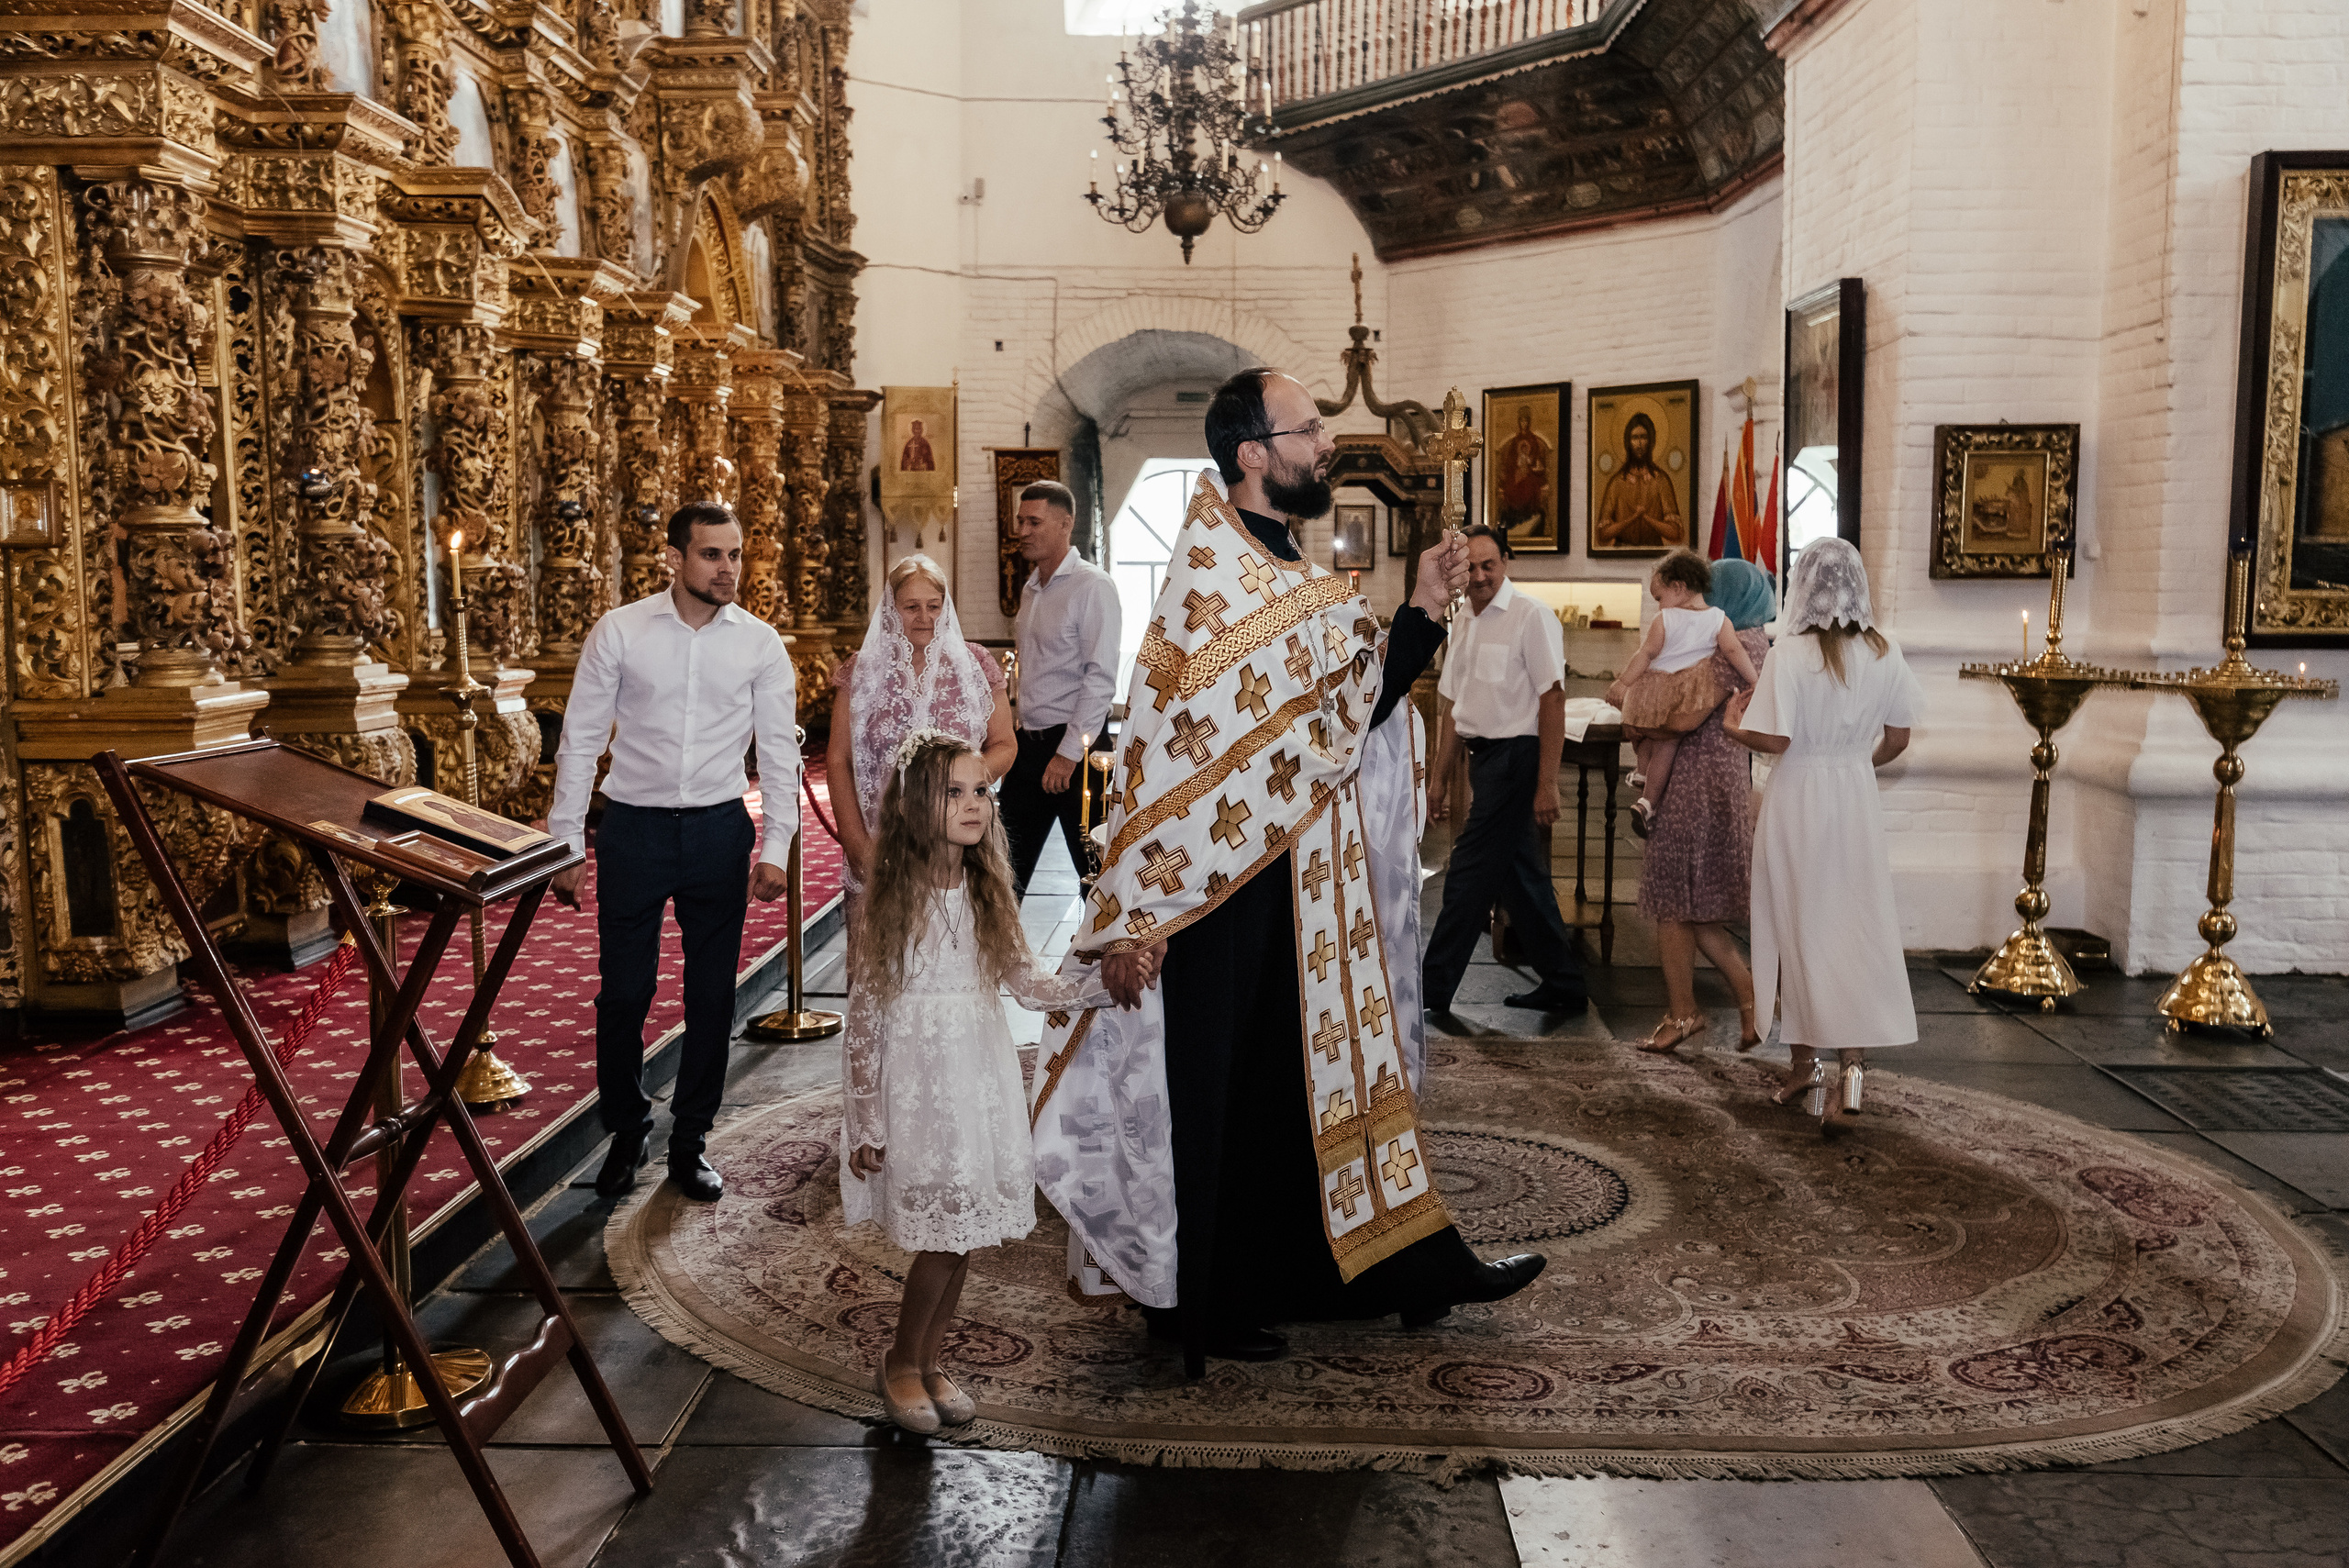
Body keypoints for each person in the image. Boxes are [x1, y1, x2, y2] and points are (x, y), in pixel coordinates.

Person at [1031, 369, 1544, 1380]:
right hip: (1210, 885)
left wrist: (1422, 611)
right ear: (1252, 453)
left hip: (1292, 876)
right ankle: (1197, 1299)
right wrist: (1143, 910)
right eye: (1308, 428)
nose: (1325, 442)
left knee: (1293, 1081)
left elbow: (1336, 711)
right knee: (1214, 1087)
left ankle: (1365, 1269)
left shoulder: (1276, 561)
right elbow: (1217, 737)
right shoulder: (1216, 571)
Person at [841, 732, 1119, 1433]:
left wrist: (1097, 984)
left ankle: (930, 1361)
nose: (974, 804)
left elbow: (1027, 984)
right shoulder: (892, 894)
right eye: (955, 792)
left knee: (963, 1230)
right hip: (919, 1080)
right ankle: (900, 1361)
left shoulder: (985, 887)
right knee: (941, 1234)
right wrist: (866, 1115)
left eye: (981, 791)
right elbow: (866, 1014)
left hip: (976, 1072)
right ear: (914, 806)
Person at [549, 502, 797, 1203]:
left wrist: (776, 845)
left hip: (719, 829)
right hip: (634, 828)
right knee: (625, 992)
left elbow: (779, 754)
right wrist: (565, 844)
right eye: (712, 555)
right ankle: (627, 1131)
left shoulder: (759, 643)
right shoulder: (621, 631)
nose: (728, 568)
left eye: (735, 554)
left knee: (712, 995)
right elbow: (581, 741)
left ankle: (690, 1142)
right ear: (676, 559)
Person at [1724, 539, 1923, 1131]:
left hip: (1799, 798)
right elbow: (1900, 736)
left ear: (1803, 586)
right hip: (1853, 798)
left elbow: (1777, 740)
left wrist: (1734, 729)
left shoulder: (1791, 653)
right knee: (1851, 928)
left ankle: (1806, 1066)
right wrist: (1858, 763)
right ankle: (1847, 1073)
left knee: (1796, 927)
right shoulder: (1884, 652)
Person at [1421, 525, 1589, 1017]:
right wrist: (1439, 777)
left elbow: (1552, 699)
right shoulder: (1465, 622)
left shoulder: (1530, 616)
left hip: (1519, 758)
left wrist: (1547, 783)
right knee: (1521, 881)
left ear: (1506, 563)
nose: (1478, 576)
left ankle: (1430, 992)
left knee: (1467, 875)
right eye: (1469, 567)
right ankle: (1564, 984)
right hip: (1484, 762)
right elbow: (1456, 707)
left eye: (1487, 565)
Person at [1634, 558, 1773, 1056]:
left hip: (1698, 783)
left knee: (1676, 903)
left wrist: (1641, 717)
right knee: (1696, 907)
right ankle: (1746, 1001)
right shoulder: (1750, 638)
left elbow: (1685, 715)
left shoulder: (1732, 643)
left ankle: (1688, 1012)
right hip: (1716, 779)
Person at [828, 552, 1016, 895]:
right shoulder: (862, 670)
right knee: (883, 943)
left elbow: (1004, 744)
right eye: (911, 607)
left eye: (934, 606)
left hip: (962, 835)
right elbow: (839, 759)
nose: (924, 617)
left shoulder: (976, 663)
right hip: (882, 834)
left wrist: (951, 788)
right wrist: (856, 844)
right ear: (890, 609)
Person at [1002, 479, 1121, 897]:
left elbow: (1100, 677)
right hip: (1028, 746)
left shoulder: (1092, 586)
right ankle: (1000, 962)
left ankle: (1102, 961)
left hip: (1078, 750)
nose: (1023, 530)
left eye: (1034, 521)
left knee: (1096, 877)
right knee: (1002, 874)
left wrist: (1067, 756)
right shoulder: (1032, 589)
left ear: (1065, 524)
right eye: (1020, 521)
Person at [1607, 550, 1761, 838]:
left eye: (1658, 596)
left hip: (1654, 688)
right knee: (1667, 742)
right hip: (1688, 691)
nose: (1658, 604)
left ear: (1678, 587)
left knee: (1648, 732)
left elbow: (1647, 653)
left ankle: (1642, 773)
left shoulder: (1664, 619)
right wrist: (1757, 680)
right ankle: (1647, 802)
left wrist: (1624, 683)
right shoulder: (1719, 618)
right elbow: (1733, 651)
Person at [1593, 413, 1686, 549]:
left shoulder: (1660, 480)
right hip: (1621, 554)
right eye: (1635, 438)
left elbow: (1676, 533)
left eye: (1644, 437)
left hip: (1654, 551)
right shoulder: (1617, 482)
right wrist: (1633, 518)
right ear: (1628, 442)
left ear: (1651, 441)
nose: (1639, 444)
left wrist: (1647, 518)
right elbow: (1602, 534)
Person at [1496, 407, 1553, 530]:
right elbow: (1510, 460)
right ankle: (1513, 518)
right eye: (1521, 421)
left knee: (1528, 486)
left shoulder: (1534, 441)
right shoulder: (1515, 441)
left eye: (1525, 421)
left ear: (1529, 422)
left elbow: (1537, 459)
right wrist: (1516, 465)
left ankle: (1528, 517)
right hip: (1516, 472)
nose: (1523, 424)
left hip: (1530, 473)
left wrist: (1530, 464)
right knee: (1510, 487)